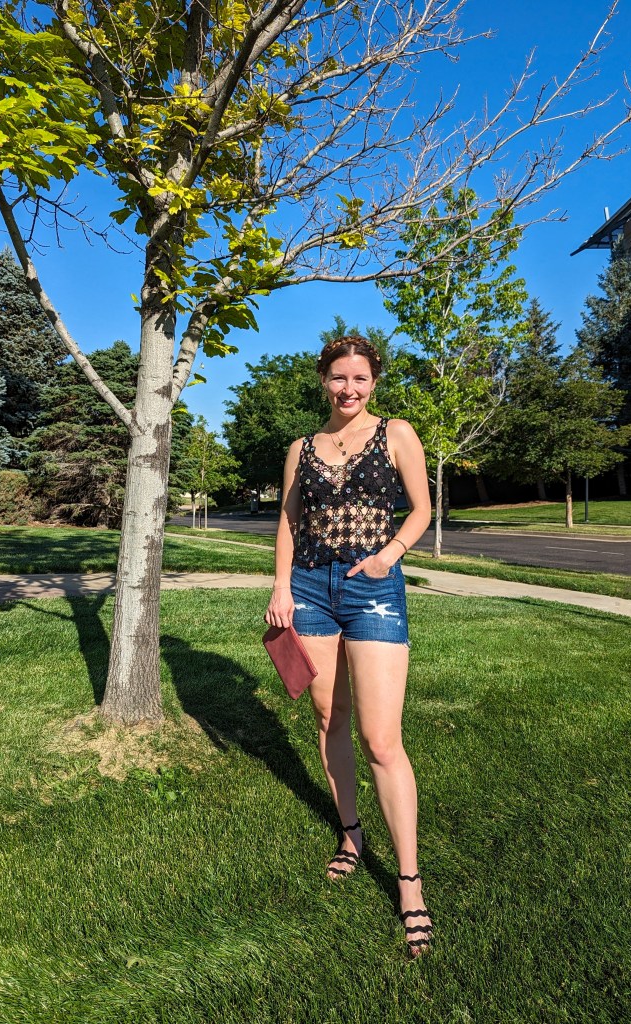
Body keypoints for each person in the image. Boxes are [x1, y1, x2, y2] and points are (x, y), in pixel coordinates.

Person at [265, 335, 433, 956]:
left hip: (375, 586)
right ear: (323, 380)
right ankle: (352, 834)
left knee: (382, 739)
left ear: (374, 382)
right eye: (339, 378)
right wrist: (281, 586)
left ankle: (410, 881)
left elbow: (421, 508)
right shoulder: (300, 449)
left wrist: (390, 554)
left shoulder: (398, 433)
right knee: (328, 715)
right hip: (309, 586)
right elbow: (287, 520)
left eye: (360, 379)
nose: (349, 389)